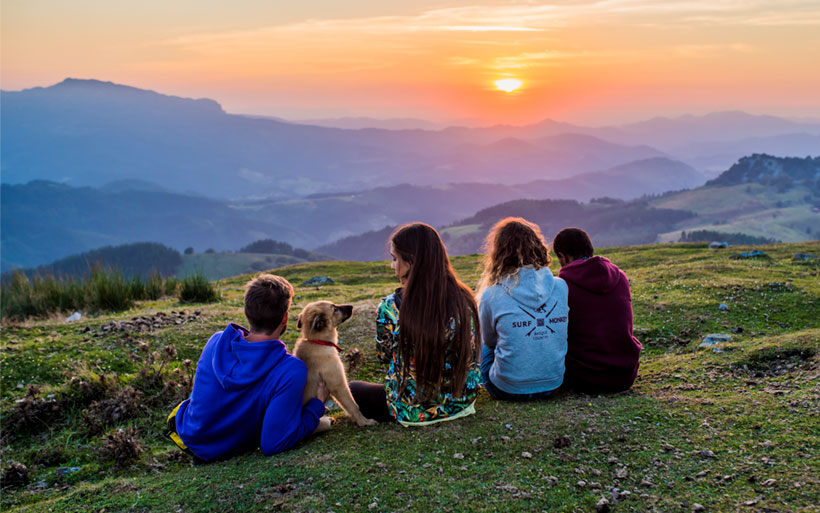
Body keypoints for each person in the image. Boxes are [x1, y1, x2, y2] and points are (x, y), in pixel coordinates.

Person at [166, 274, 330, 463]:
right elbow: (274, 443)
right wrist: (316, 406)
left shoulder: (217, 341)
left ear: (247, 312)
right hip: (218, 450)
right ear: (285, 318)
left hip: (188, 433)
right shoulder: (290, 370)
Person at [351, 222, 482, 426]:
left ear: (411, 261)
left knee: (352, 388)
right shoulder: (464, 299)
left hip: (412, 409)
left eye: (395, 259)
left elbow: (383, 355)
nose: (392, 266)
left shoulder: (391, 307)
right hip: (460, 402)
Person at [476, 217, 569, 401]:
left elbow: (489, 340)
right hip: (553, 384)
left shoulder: (492, 294)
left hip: (507, 389)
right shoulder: (561, 286)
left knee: (483, 344)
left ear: (499, 254)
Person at [552, 227, 642, 393]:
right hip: (625, 374)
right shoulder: (621, 277)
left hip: (583, 376)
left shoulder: (564, 284)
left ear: (563, 256)